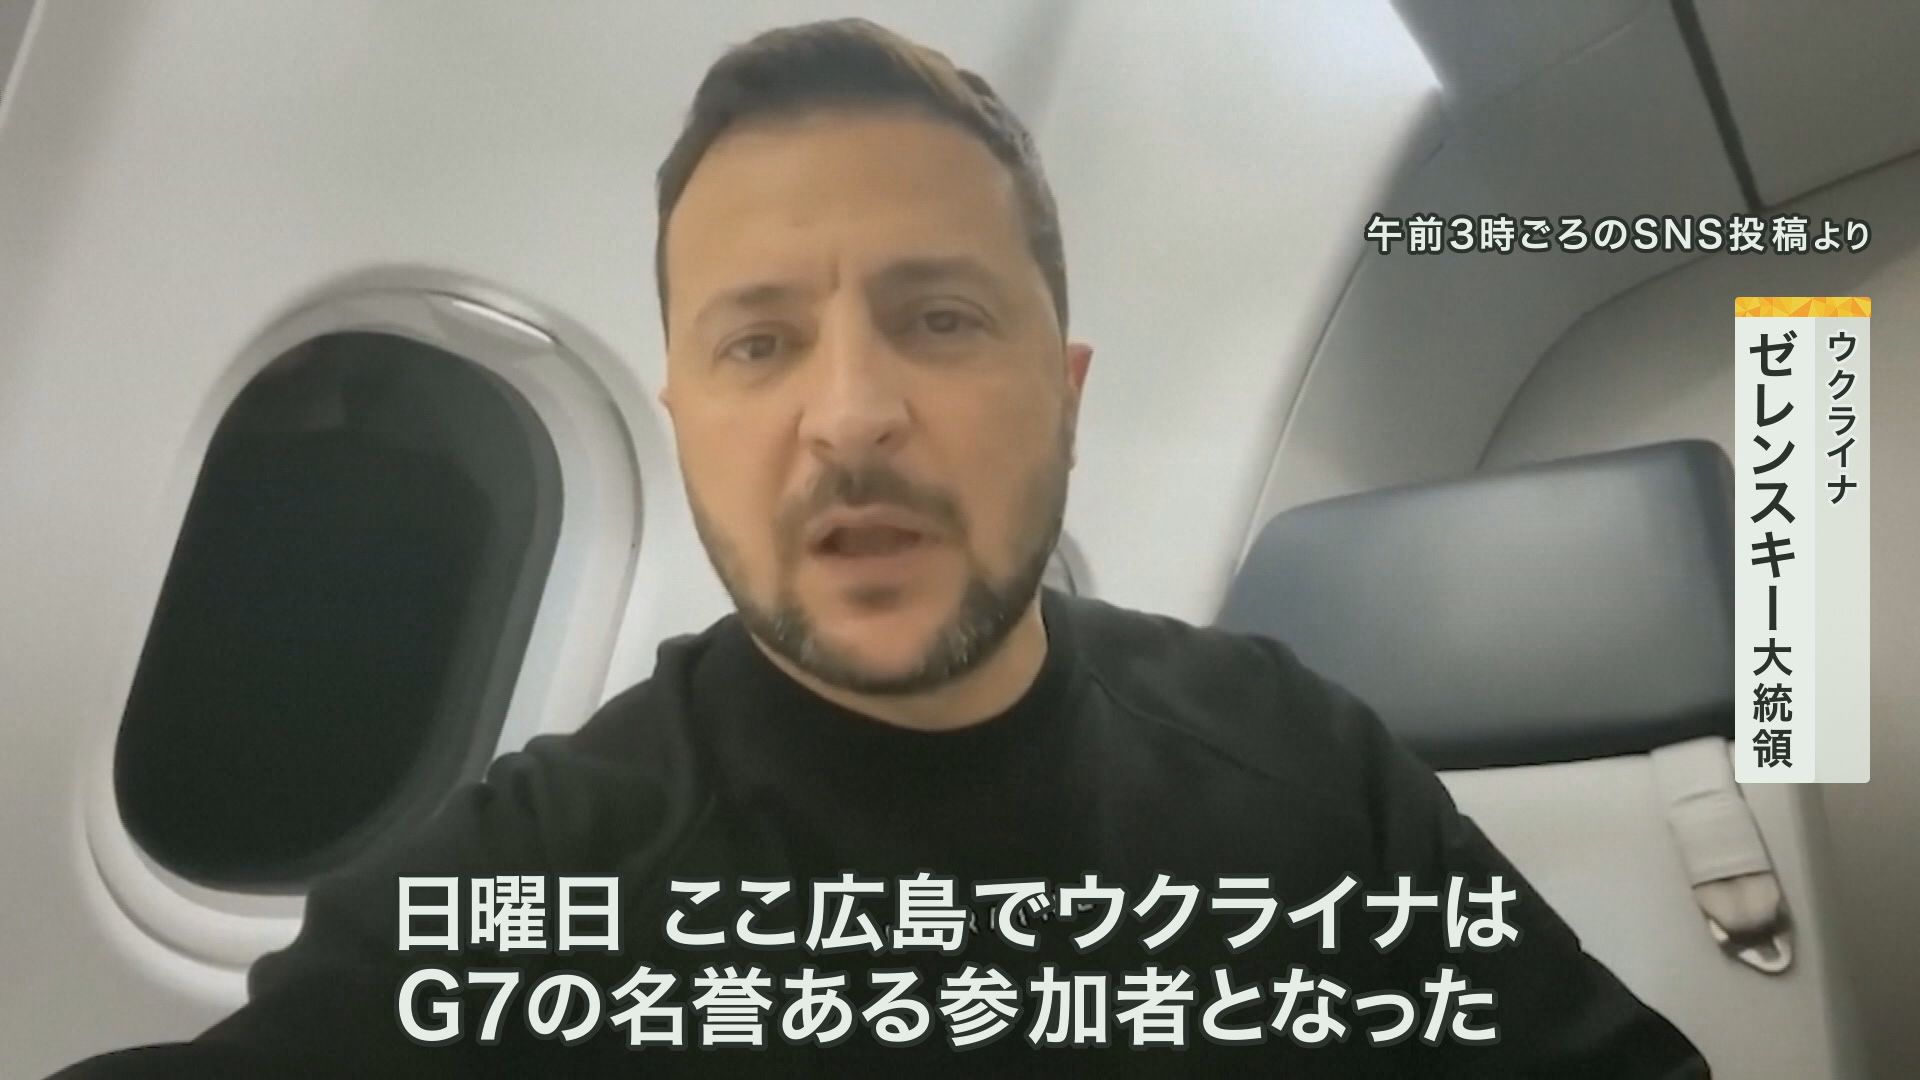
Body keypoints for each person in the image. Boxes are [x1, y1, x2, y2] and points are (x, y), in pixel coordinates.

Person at [57, 17, 1710, 1079]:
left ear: (1066, 399)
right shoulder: (551, 876)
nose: (850, 416)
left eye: (939, 318)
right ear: (686, 424)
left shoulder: (1296, 759)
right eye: (760, 344)